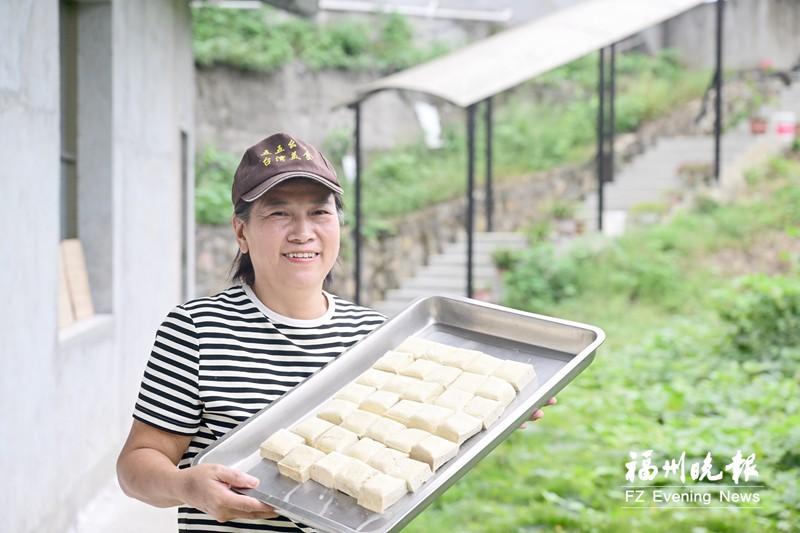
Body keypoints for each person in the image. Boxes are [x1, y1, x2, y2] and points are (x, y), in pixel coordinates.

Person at [116, 132, 554, 532]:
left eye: (319, 213)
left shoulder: (377, 337)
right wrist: (187, 487)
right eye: (279, 213)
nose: (302, 232)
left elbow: (406, 455)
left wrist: (492, 414)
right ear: (241, 231)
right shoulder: (196, 329)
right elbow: (136, 466)